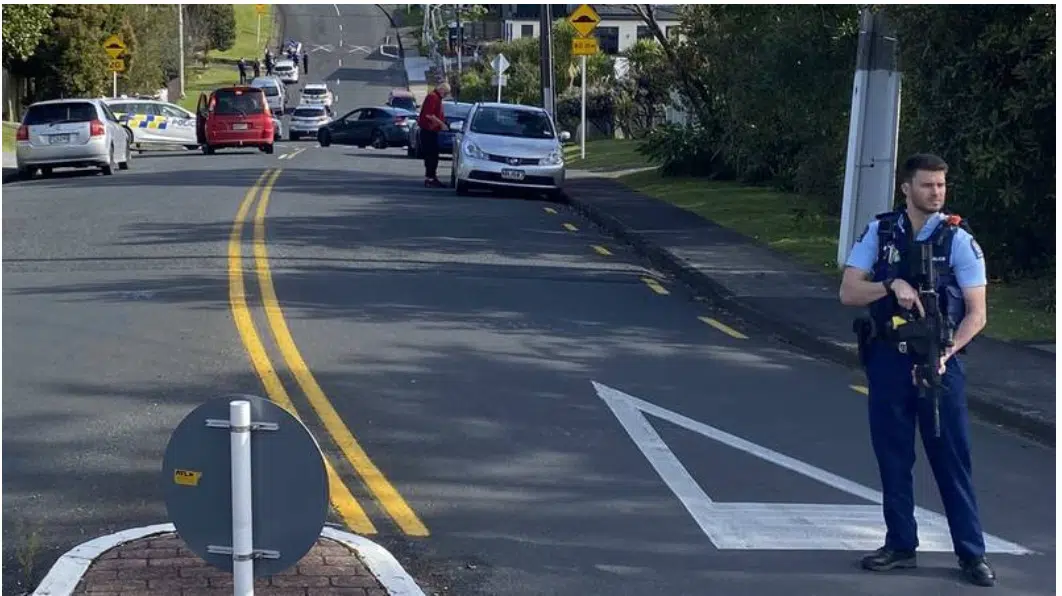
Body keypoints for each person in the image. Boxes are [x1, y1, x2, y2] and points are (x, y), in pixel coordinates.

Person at [839, 153, 995, 587]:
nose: (936, 192)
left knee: (952, 459)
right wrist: (891, 285)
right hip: (889, 359)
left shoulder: (958, 240)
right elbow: (849, 291)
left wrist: (946, 354)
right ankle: (900, 544)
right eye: (927, 185)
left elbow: (977, 314)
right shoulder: (881, 231)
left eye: (941, 185)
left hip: (939, 360)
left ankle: (971, 554)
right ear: (906, 188)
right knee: (893, 456)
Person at [417, 82, 450, 188]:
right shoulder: (433, 97)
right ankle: (430, 178)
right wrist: (442, 124)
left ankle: (431, 177)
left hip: (432, 131)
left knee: (433, 156)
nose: (445, 95)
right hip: (428, 131)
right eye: (446, 93)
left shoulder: (436, 98)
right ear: (442, 90)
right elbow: (429, 114)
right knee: (431, 156)